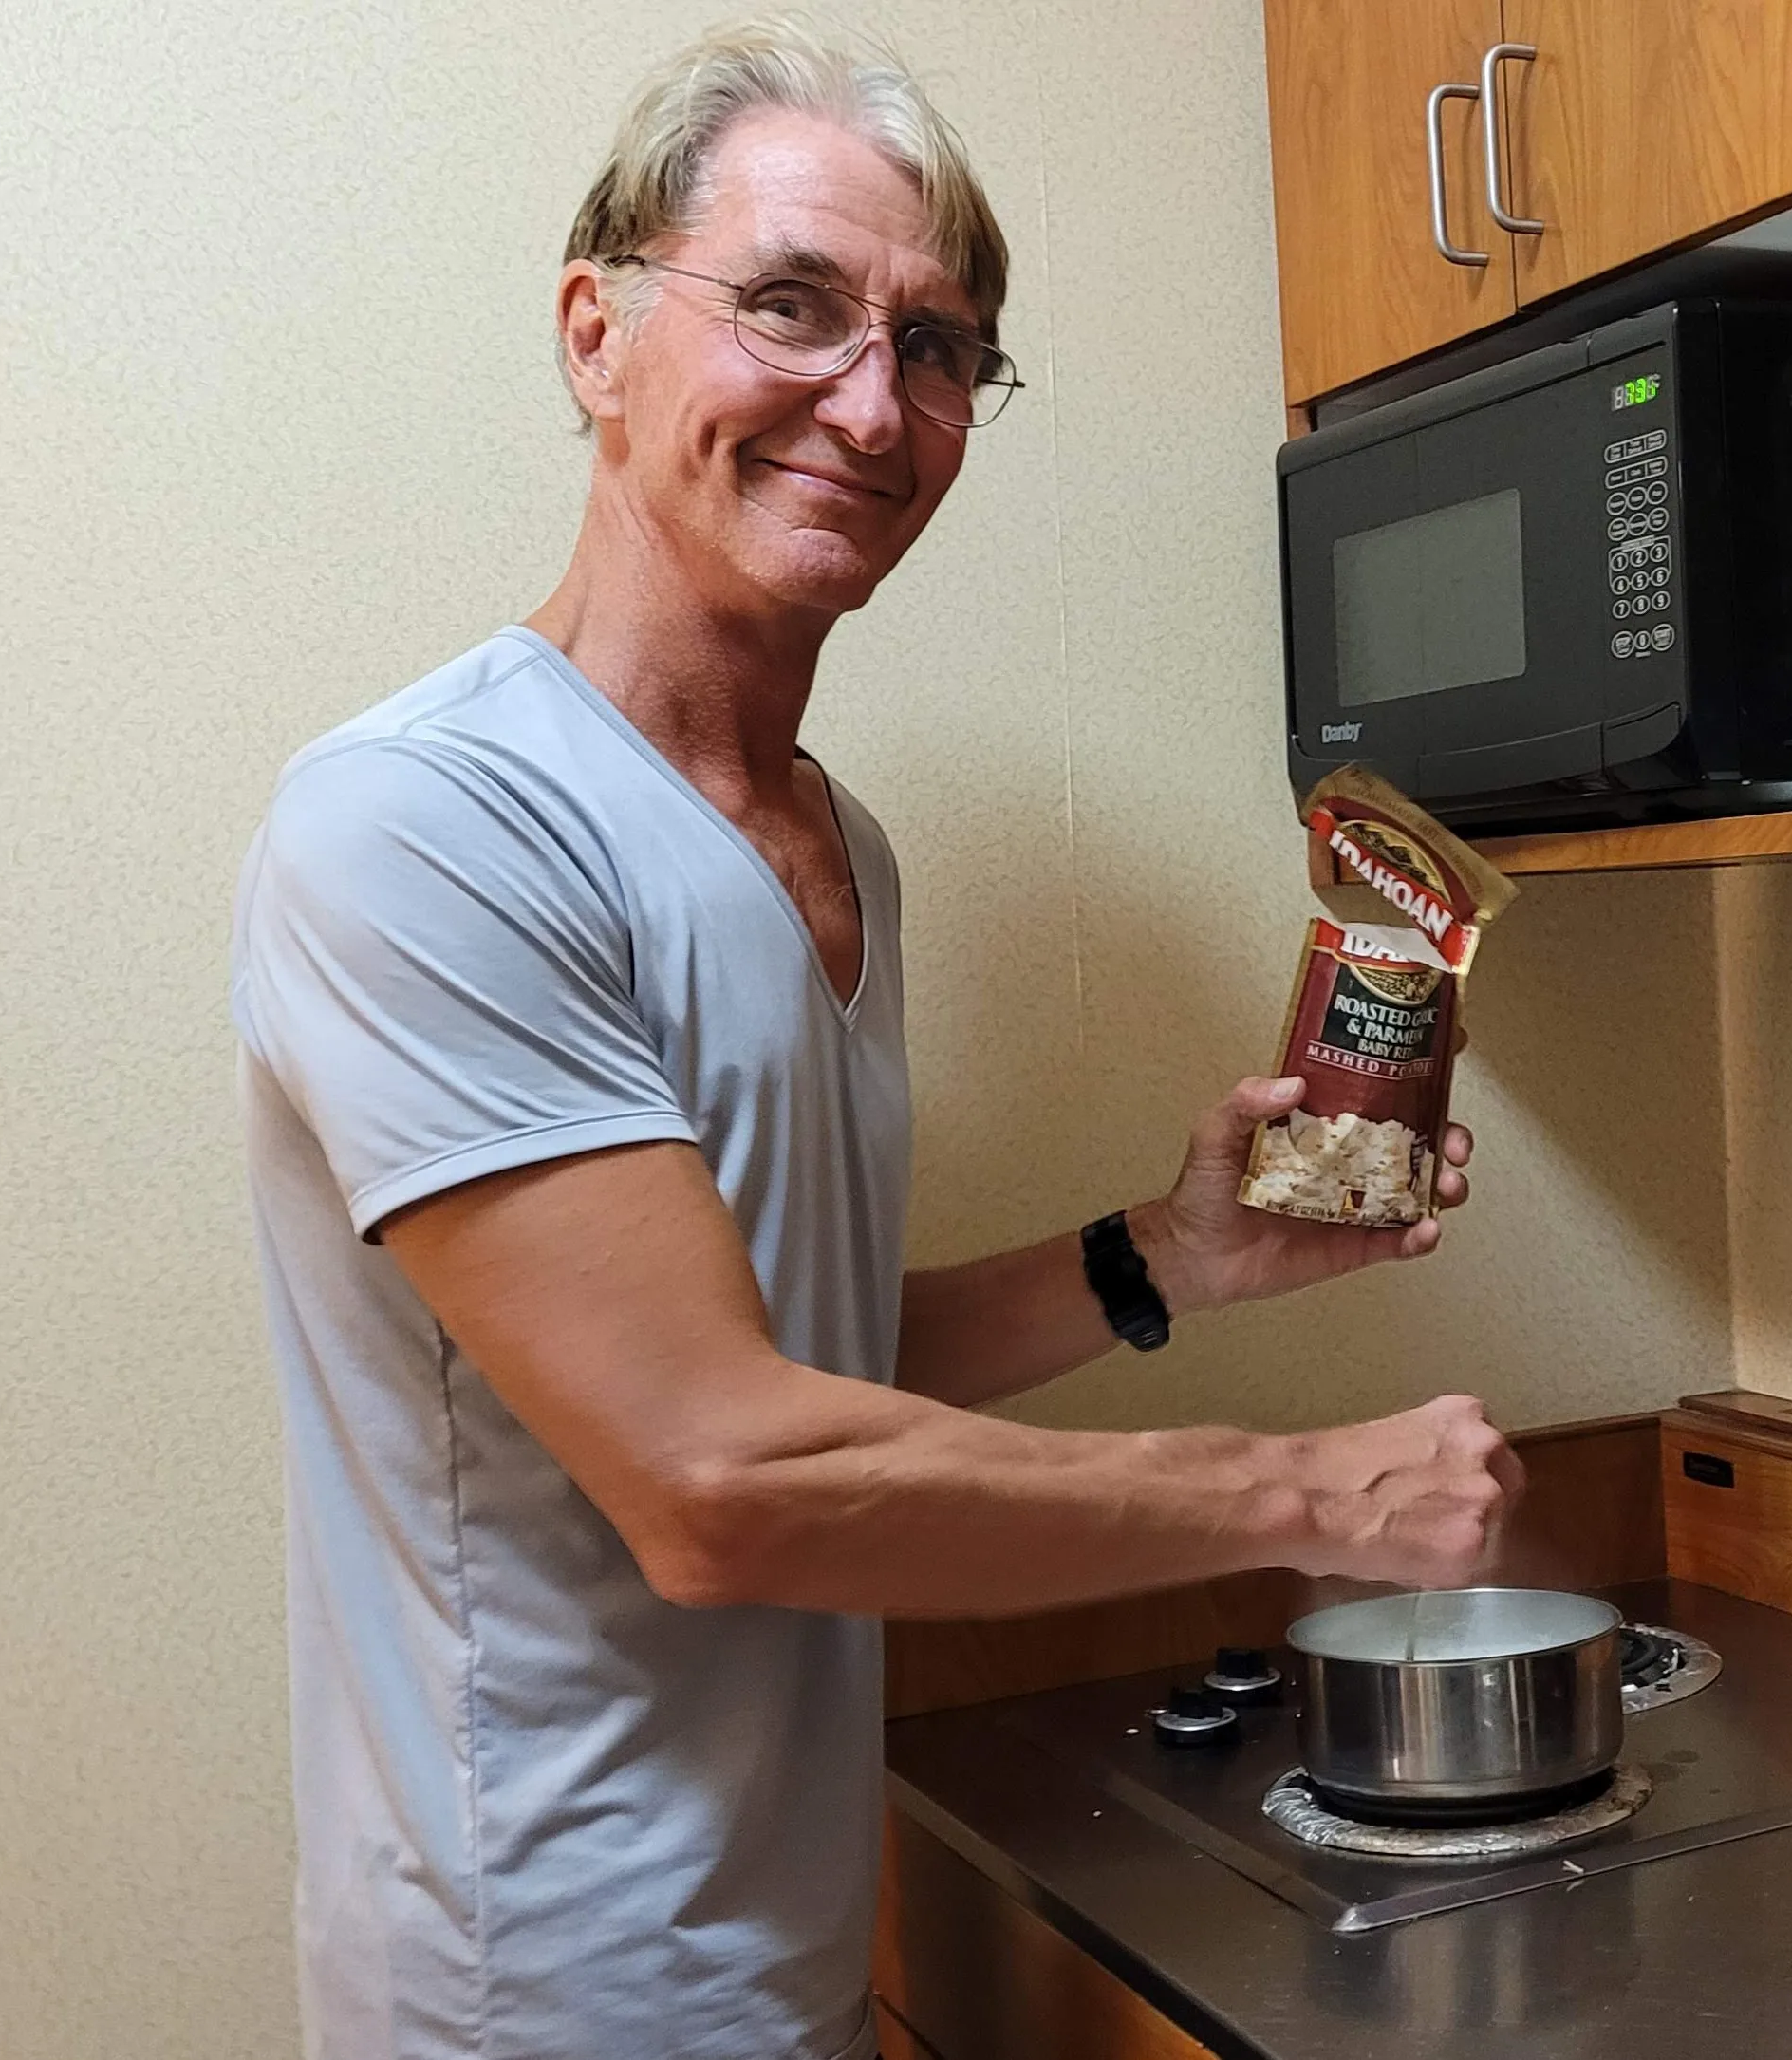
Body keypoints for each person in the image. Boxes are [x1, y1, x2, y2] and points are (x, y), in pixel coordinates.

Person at [228, 21, 1521, 2059]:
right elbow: (721, 1473)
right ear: (596, 330)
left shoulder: (840, 851)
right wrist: (1303, 1491)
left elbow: (783, 1354)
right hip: (540, 1998)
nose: (871, 398)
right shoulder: (431, 823)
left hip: (792, 1948)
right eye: (792, 306)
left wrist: (1162, 1254)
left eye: (936, 346)